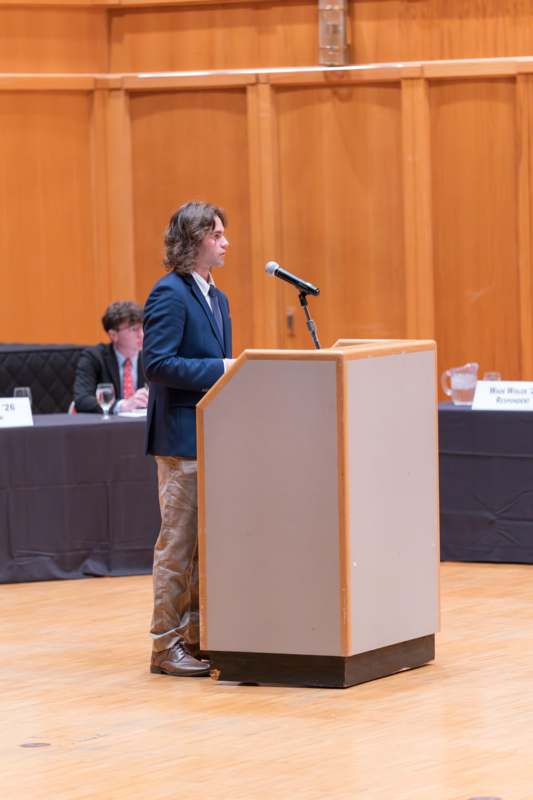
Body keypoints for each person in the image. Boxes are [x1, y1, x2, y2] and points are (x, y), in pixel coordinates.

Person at [143, 200, 233, 678]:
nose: (225, 243)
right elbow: (155, 365)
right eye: (217, 234)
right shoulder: (169, 294)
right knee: (177, 546)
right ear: (194, 239)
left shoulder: (219, 299)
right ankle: (165, 645)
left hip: (213, 438)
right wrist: (220, 369)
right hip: (180, 440)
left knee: (206, 548)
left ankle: (198, 636)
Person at [74, 301, 148, 414]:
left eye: (142, 328)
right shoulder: (94, 357)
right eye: (134, 329)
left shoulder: (151, 358)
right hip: (108, 428)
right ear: (113, 335)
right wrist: (123, 405)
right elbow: (82, 400)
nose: (142, 334)